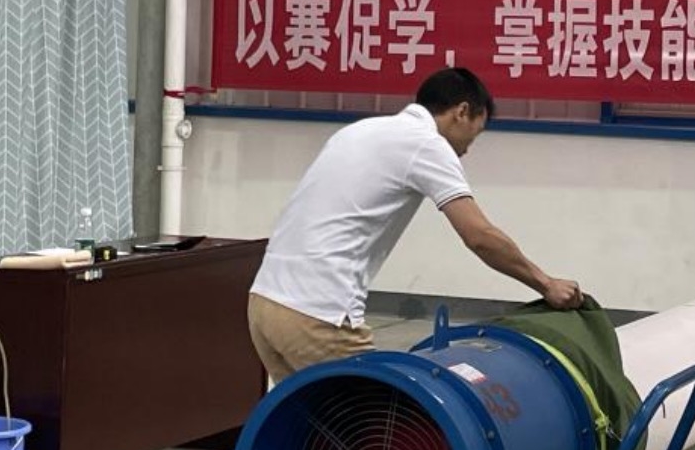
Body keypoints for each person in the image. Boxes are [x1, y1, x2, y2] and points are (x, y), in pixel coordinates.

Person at [245, 66, 582, 383]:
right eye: (475, 134)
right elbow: (479, 236)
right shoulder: (427, 143)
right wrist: (546, 284)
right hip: (318, 315)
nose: (467, 150)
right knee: (378, 419)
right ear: (462, 111)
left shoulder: (360, 130)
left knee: (309, 421)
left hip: (264, 303)